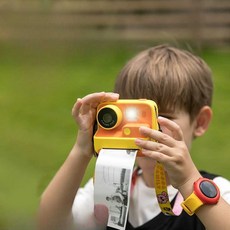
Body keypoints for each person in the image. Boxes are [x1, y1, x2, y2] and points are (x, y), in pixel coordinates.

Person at [38, 45, 230, 230]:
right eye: (137, 116)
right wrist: (82, 150)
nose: (146, 130)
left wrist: (189, 182)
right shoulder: (110, 186)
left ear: (200, 122)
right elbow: (49, 224)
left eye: (161, 117)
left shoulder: (218, 193)